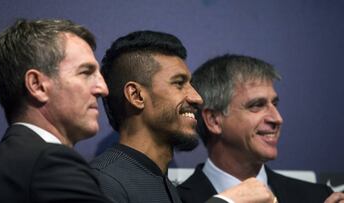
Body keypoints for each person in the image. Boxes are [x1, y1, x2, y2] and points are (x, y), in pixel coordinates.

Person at [90, 31, 277, 203]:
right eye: (179, 84)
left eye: (191, 84)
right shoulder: (101, 182)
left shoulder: (167, 187)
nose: (197, 98)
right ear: (137, 96)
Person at [177, 54, 339, 203]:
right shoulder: (176, 200)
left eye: (274, 104)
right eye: (257, 105)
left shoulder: (317, 197)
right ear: (214, 121)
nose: (277, 118)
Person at [0, 19, 113, 203]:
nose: (103, 89)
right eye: (85, 72)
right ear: (37, 86)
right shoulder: (50, 163)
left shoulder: (3, 165)